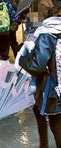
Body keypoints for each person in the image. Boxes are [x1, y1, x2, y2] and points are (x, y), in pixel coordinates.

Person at [18, 8, 61, 148]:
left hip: (53, 87)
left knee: (56, 121)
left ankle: (43, 145)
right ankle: (43, 145)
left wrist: (22, 59)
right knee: (39, 111)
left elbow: (36, 66)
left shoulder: (47, 34)